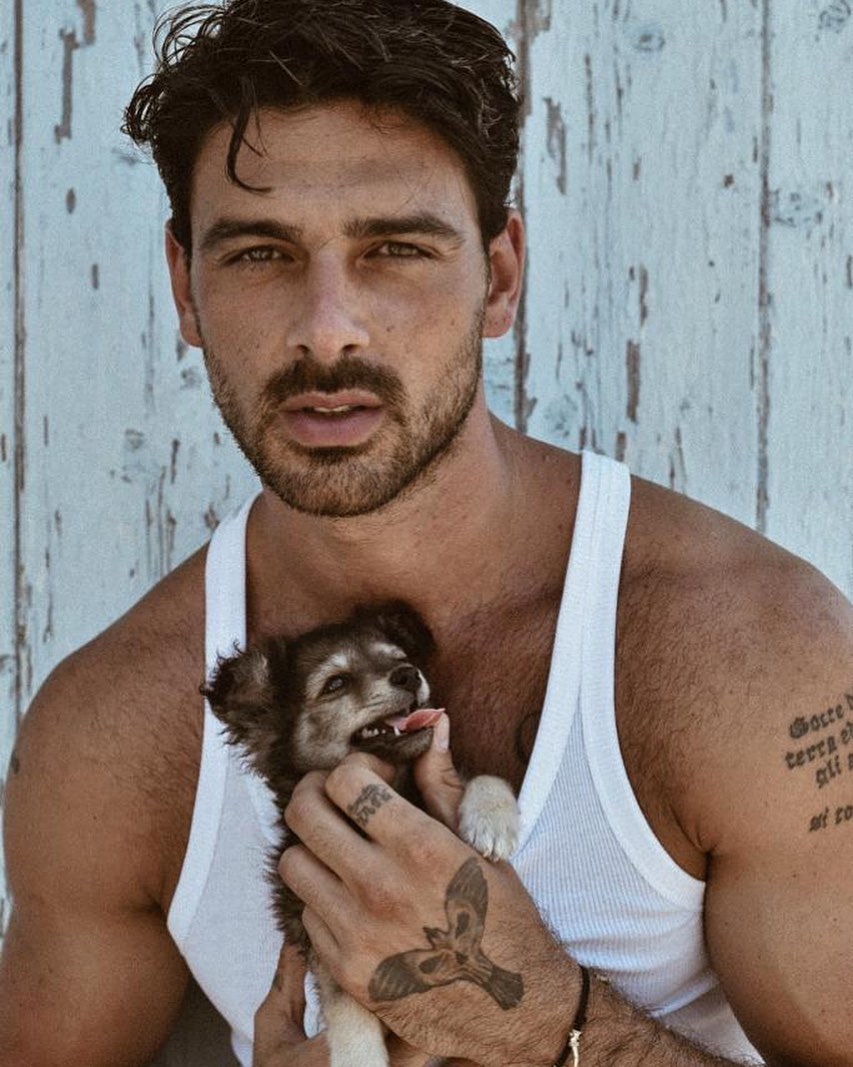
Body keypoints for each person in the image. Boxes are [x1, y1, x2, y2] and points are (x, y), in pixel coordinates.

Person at [1, 1, 851, 1064]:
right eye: (260, 253)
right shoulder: (109, 735)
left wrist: (544, 1021)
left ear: (499, 277)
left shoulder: (752, 655)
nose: (327, 327)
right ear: (185, 287)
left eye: (395, 248)